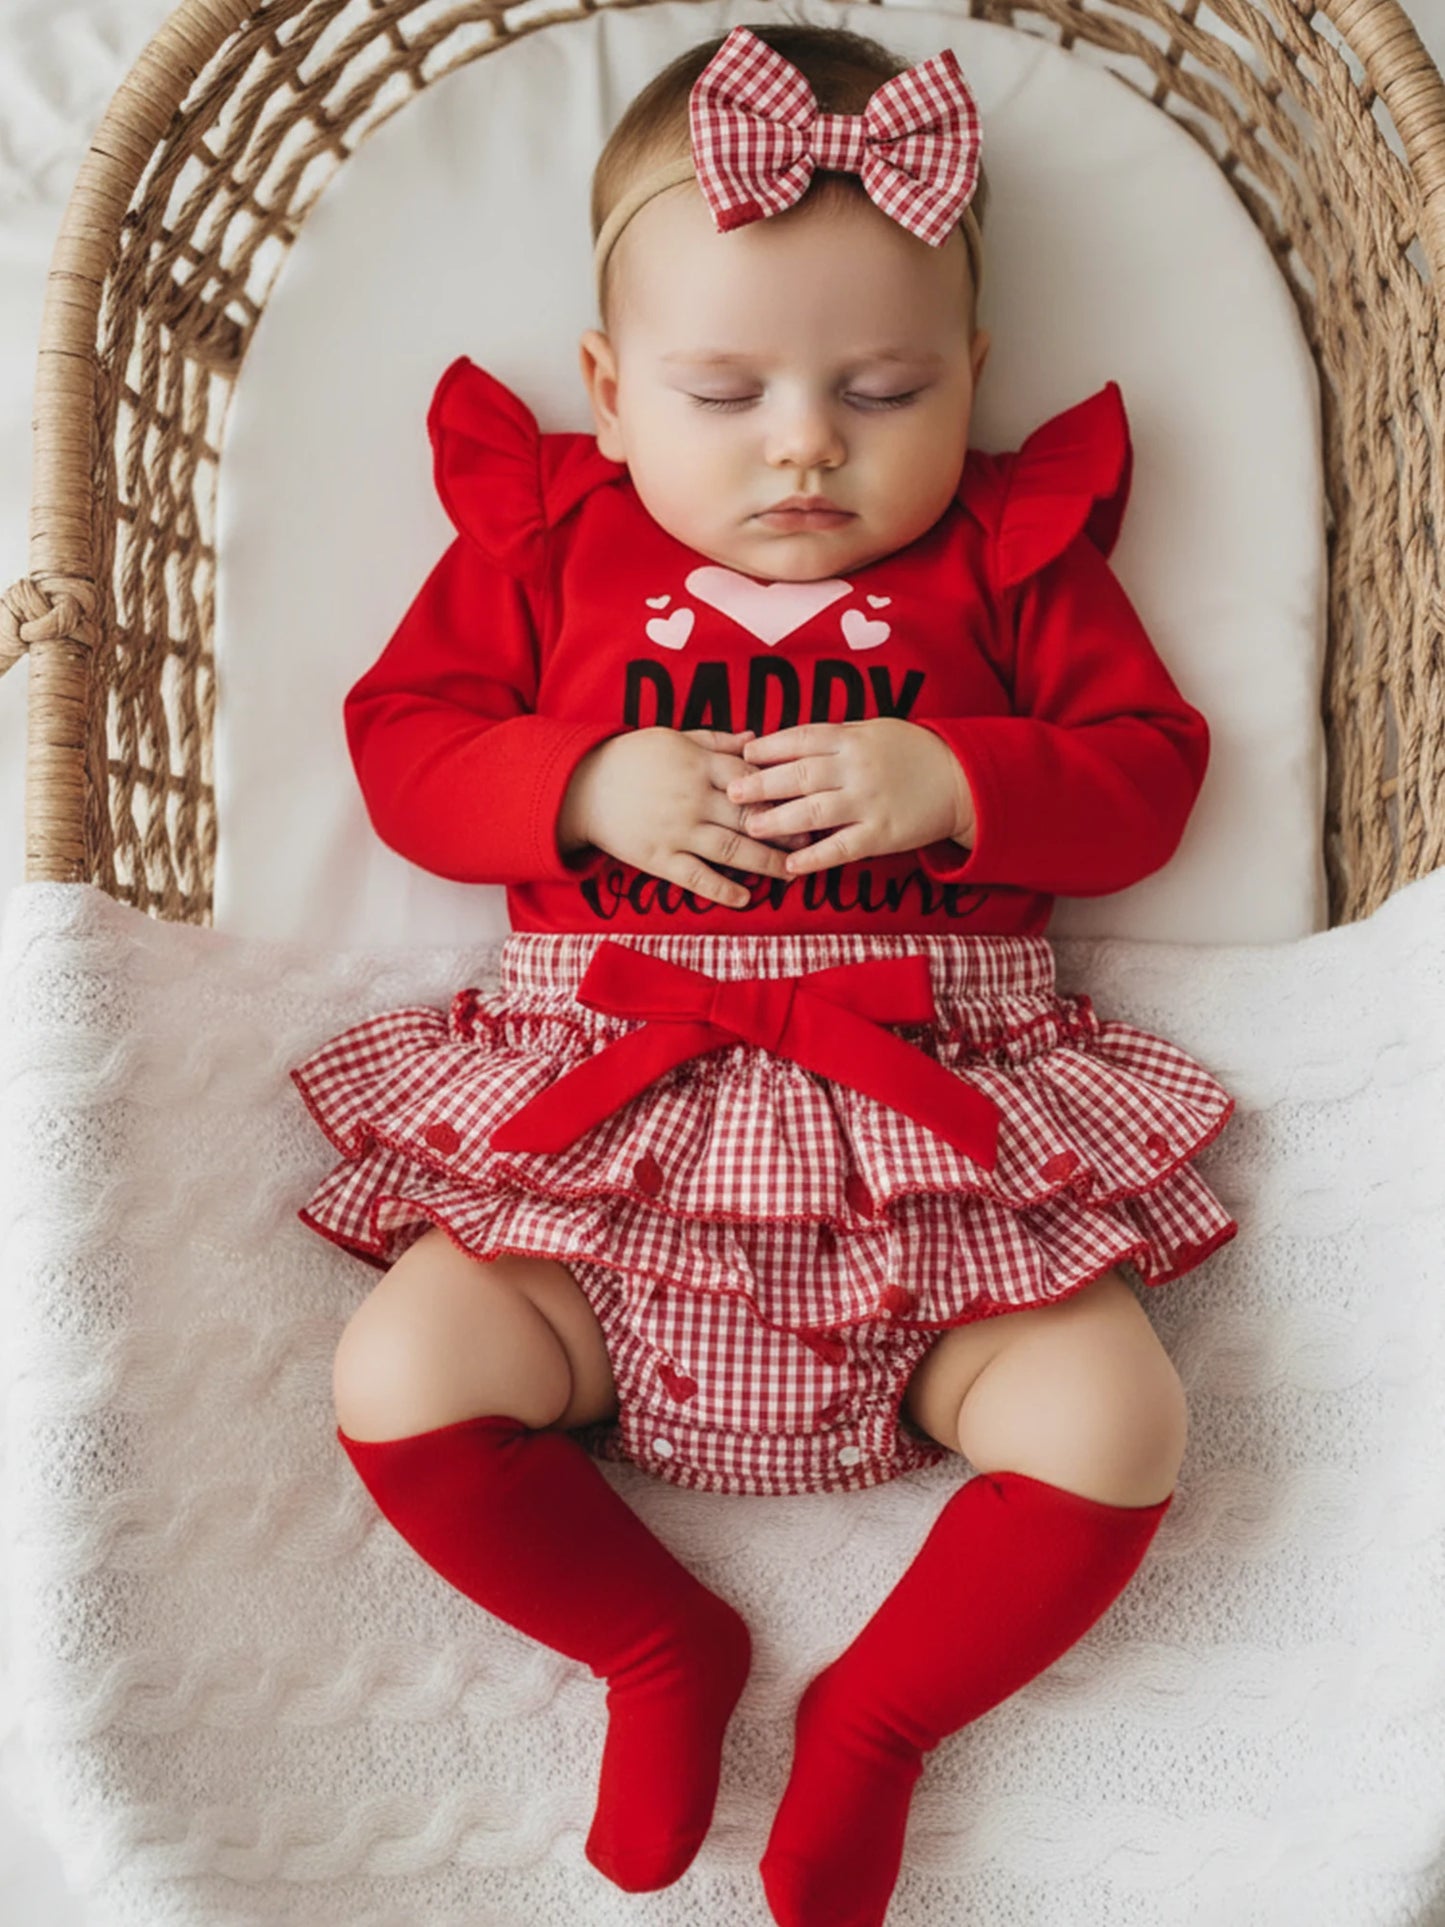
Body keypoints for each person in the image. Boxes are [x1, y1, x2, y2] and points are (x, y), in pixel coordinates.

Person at [289, 22, 1240, 1925]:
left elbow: (1145, 776)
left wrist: (962, 777)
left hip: (928, 1142)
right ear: (607, 391)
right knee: (404, 1372)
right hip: (611, 1130)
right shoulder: (550, 541)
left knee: (1114, 1423)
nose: (804, 440)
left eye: (883, 389)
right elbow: (404, 748)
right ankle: (655, 1645)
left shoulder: (1012, 556)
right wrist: (573, 782)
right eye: (721, 390)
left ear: (972, 376)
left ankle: (879, 1720)